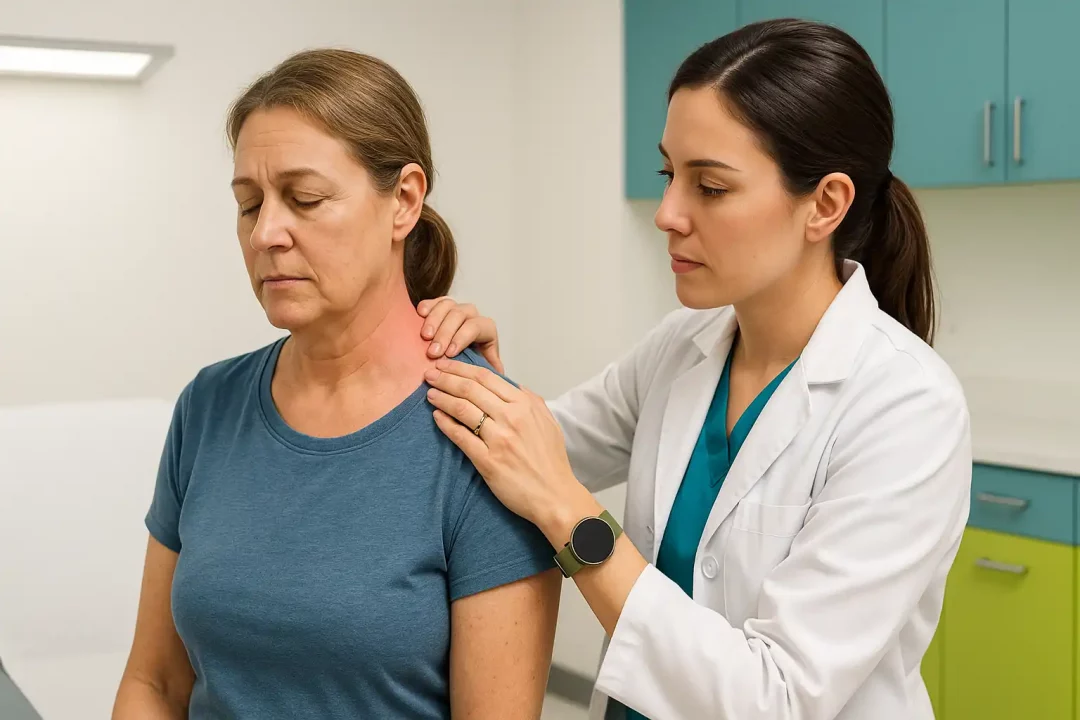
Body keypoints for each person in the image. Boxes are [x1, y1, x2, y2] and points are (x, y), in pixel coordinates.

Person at [417, 19, 972, 720]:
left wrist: (571, 514)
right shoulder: (682, 348)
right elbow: (537, 450)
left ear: (824, 205)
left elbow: (776, 699)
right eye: (667, 174)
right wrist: (475, 377)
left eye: (709, 187)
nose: (668, 214)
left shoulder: (907, 406)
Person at [112, 49, 561, 720]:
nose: (267, 233)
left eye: (306, 199)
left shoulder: (488, 438)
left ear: (404, 201)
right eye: (248, 204)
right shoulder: (209, 407)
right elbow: (155, 684)